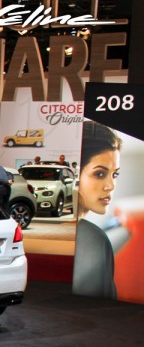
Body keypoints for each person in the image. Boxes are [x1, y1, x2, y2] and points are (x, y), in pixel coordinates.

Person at [73, 122, 122, 299]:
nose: (110, 186)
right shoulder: (91, 237)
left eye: (115, 174)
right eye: (100, 174)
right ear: (75, 174)